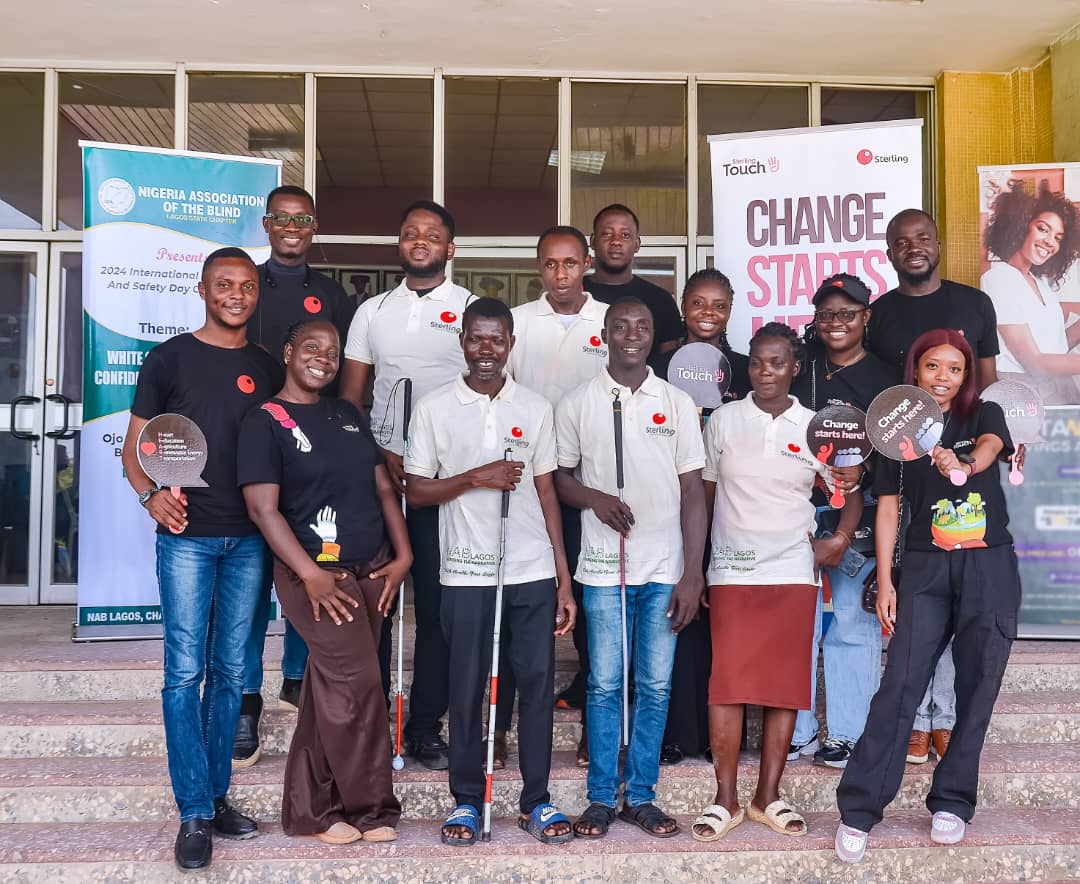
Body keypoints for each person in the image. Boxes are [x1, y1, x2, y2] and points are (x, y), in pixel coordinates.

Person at [121, 248, 281, 872]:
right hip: (187, 535)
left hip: (250, 539)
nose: (236, 294)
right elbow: (135, 449)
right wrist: (150, 496)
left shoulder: (268, 368)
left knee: (231, 671)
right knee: (184, 671)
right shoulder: (168, 359)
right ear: (202, 289)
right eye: (223, 284)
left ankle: (216, 799)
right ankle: (192, 810)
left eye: (245, 286)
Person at [835, 329, 1019, 863]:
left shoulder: (984, 413)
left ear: (967, 374)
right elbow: (888, 506)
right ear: (915, 371)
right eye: (932, 367)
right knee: (901, 684)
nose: (943, 377)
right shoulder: (897, 429)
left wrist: (963, 467)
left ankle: (953, 802)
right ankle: (861, 809)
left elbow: (988, 450)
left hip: (988, 564)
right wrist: (887, 580)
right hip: (925, 568)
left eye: (954, 368)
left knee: (980, 683)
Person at [404, 297, 577, 846]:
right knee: (466, 686)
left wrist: (562, 578)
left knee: (535, 684)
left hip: (529, 570)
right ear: (462, 342)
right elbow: (416, 488)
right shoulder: (434, 407)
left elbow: (548, 491)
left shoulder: (535, 407)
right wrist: (476, 476)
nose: (486, 350)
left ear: (510, 344)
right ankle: (465, 801)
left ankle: (536, 801)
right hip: (466, 570)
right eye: (477, 339)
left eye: (496, 340)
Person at [237, 319, 410, 846]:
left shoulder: (347, 414)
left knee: (327, 693)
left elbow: (383, 489)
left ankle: (310, 810)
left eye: (333, 351)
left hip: (372, 571)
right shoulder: (264, 421)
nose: (323, 357)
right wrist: (310, 574)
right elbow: (263, 510)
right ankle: (372, 808)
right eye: (311, 347)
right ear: (288, 352)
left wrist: (403, 556)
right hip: (314, 577)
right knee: (359, 687)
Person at [691, 322, 860, 844]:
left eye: (778, 363)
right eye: (759, 363)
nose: (766, 372)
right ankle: (725, 799)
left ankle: (769, 795)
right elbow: (705, 498)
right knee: (728, 684)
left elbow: (847, 491)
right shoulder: (722, 421)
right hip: (733, 570)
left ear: (796, 367)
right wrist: (698, 565)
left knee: (785, 685)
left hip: (792, 569)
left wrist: (839, 539)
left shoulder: (815, 427)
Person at [556, 297, 707, 840]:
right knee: (602, 685)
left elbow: (694, 488)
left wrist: (693, 572)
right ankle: (601, 798)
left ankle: (640, 796)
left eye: (642, 327)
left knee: (656, 685)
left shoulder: (678, 401)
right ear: (604, 334)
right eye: (621, 326)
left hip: (664, 567)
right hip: (600, 568)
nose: (632, 335)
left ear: (651, 335)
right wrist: (595, 499)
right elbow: (560, 478)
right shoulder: (578, 401)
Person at [339, 200, 475, 771]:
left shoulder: (469, 308)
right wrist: (380, 454)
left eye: (433, 235)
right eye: (411, 233)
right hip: (382, 474)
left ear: (450, 248)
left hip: (443, 481)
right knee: (379, 598)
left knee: (440, 608)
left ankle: (424, 726)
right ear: (400, 243)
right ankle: (369, 721)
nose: (421, 241)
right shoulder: (373, 310)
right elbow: (350, 400)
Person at [868, 208, 1002, 767]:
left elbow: (991, 389)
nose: (914, 248)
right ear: (889, 251)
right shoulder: (877, 316)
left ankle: (941, 716)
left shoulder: (975, 304)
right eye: (902, 241)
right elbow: (882, 398)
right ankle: (918, 719)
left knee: (958, 606)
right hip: (906, 468)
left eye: (923, 238)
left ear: (939, 244)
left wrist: (984, 448)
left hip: (966, 482)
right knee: (916, 603)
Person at [236, 184, 357, 768]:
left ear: (313, 226)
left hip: (311, 454)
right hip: (252, 445)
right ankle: (245, 699)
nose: (292, 227)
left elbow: (342, 374)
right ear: (266, 224)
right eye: (282, 219)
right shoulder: (246, 287)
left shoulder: (331, 293)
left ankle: (293, 675)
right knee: (254, 581)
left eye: (303, 218)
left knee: (306, 564)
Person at [504, 224, 608, 769]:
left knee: (591, 604)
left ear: (586, 263)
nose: (561, 274)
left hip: (592, 485)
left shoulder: (608, 321)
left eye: (570, 263)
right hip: (531, 483)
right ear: (538, 267)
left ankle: (595, 725)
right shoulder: (519, 322)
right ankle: (503, 725)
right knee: (529, 601)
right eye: (550, 264)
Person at [788, 274, 899, 770]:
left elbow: (901, 453)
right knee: (796, 621)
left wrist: (867, 467)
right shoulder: (800, 368)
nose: (836, 323)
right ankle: (798, 730)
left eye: (847, 314)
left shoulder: (886, 376)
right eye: (827, 314)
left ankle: (849, 733)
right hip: (795, 508)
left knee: (852, 621)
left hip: (862, 514)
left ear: (865, 318)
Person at [651, 267, 750, 767]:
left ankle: (720, 733)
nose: (708, 314)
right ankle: (673, 732)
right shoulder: (658, 363)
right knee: (677, 618)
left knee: (722, 622)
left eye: (719, 305)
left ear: (730, 309)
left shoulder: (746, 367)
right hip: (672, 506)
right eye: (698, 303)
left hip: (732, 508)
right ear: (683, 305)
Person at [981, 179, 1080, 405]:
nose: (1050, 242)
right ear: (1021, 225)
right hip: (1024, 396)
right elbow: (1034, 362)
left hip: (1054, 392)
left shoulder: (1039, 283)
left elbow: (1055, 347)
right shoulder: (999, 278)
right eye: (1043, 229)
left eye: (1058, 237)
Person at [586, 204, 683, 369]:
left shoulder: (661, 300)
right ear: (593, 241)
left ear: (637, 244)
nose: (616, 241)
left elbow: (669, 365)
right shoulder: (575, 294)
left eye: (625, 235)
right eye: (607, 234)